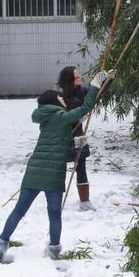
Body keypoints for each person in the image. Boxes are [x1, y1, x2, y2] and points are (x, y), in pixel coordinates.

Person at [0, 70, 110, 263]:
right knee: (54, 213)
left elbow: (57, 140)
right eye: (60, 99)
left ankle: (1, 243)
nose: (64, 100)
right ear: (56, 103)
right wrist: (95, 86)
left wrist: (75, 144)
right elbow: (86, 107)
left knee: (19, 211)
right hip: (53, 172)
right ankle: (54, 250)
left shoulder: (46, 118)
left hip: (34, 172)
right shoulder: (60, 116)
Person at [57, 66, 104, 211]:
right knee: (59, 169)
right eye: (77, 77)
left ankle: (85, 202)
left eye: (79, 76)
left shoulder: (81, 90)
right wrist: (80, 112)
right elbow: (72, 109)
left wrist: (106, 81)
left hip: (78, 134)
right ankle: (55, 200)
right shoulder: (60, 96)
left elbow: (95, 94)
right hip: (63, 137)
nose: (80, 79)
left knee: (81, 165)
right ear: (69, 80)